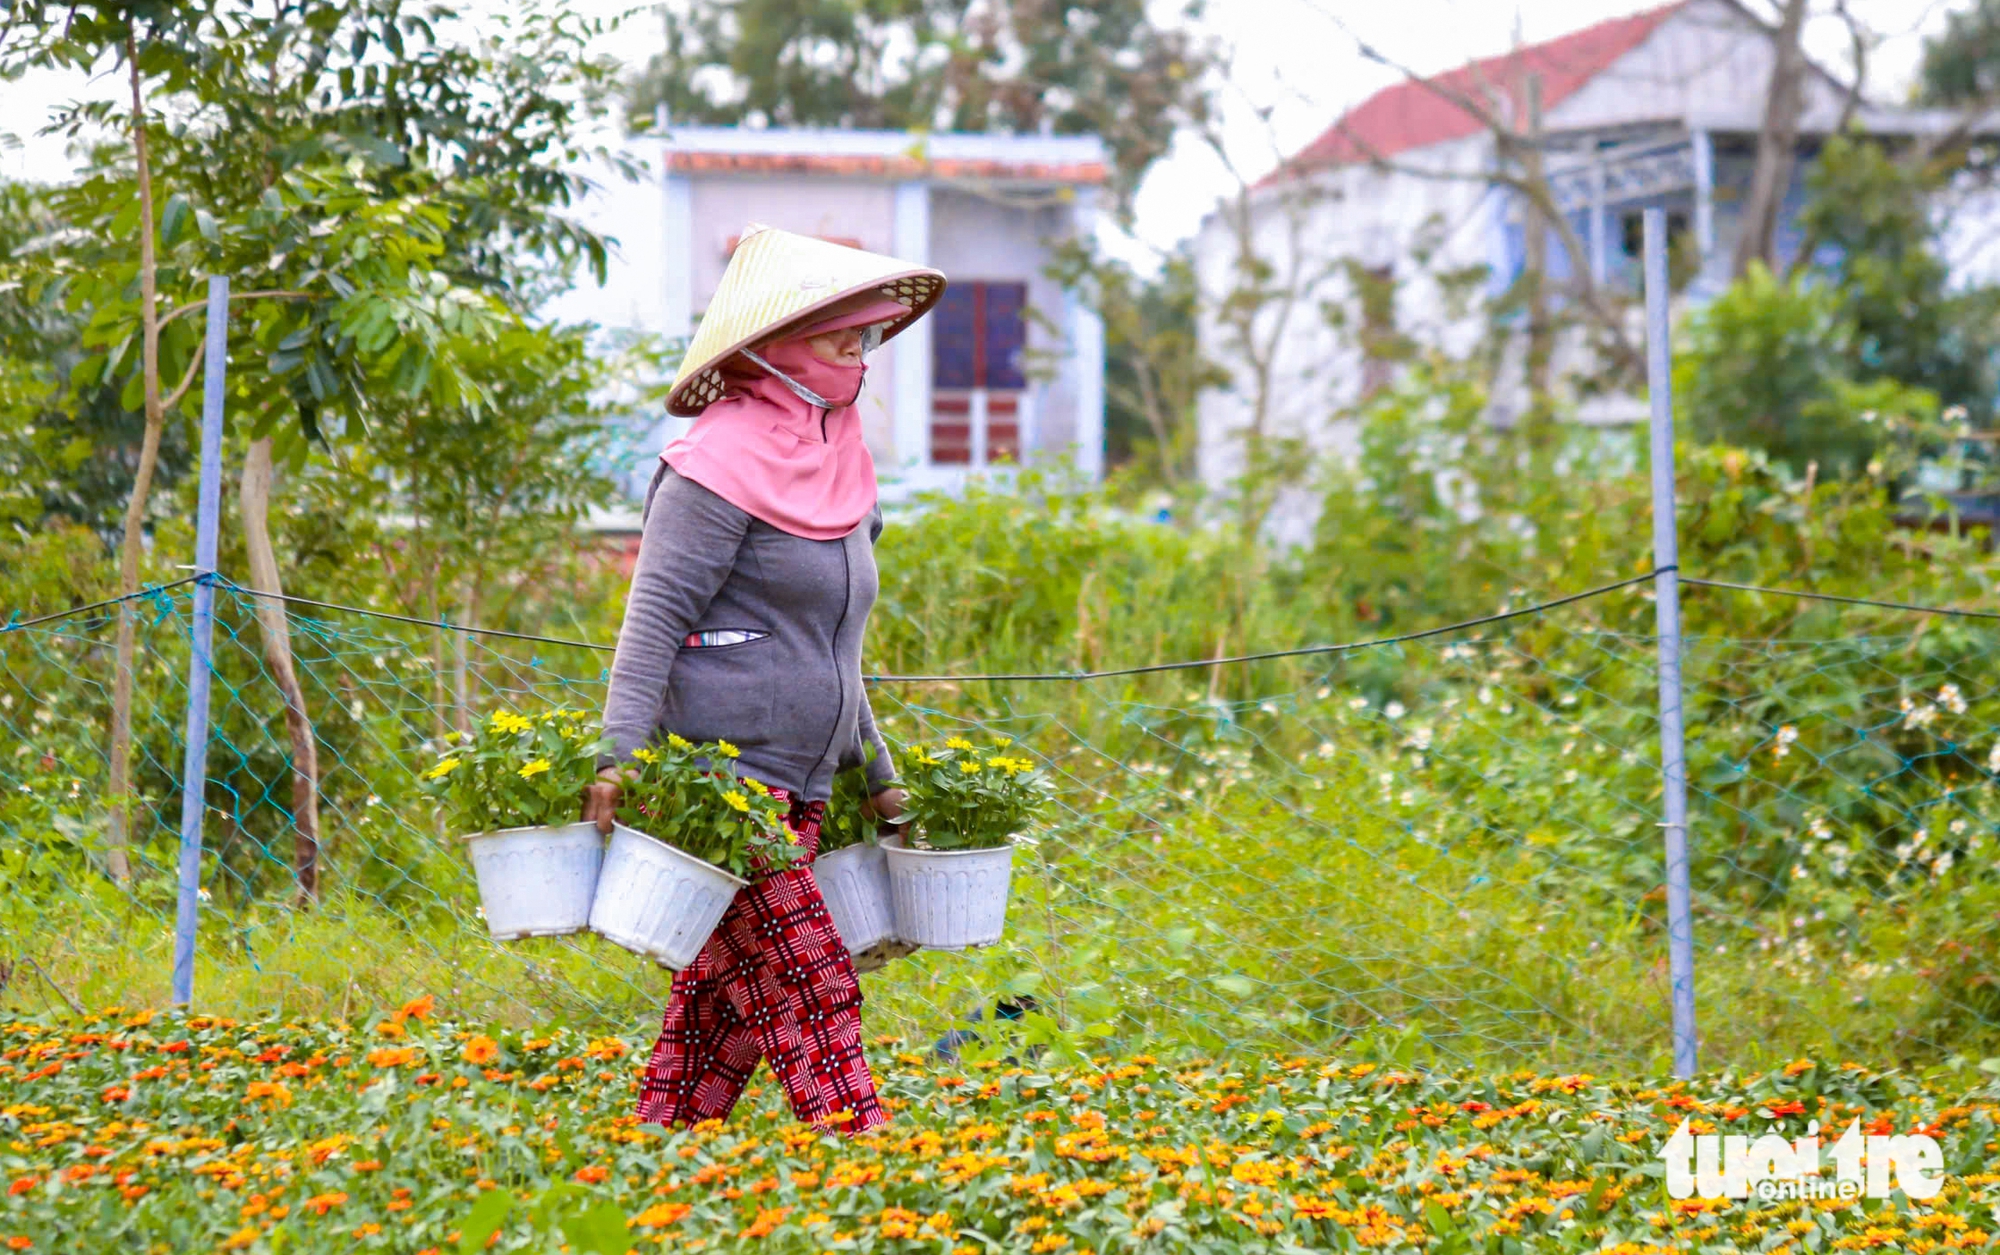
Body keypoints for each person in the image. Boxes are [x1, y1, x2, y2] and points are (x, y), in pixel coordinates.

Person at [583, 224, 946, 1134]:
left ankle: (657, 1148)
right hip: (720, 783)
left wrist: (882, 774)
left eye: (865, 341)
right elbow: (654, 614)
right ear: (776, 348)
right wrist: (619, 757)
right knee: (813, 975)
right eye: (841, 340)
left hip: (804, 778)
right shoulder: (714, 465)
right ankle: (862, 1159)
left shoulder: (842, 468)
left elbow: (833, 647)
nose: (859, 359)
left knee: (719, 1007)